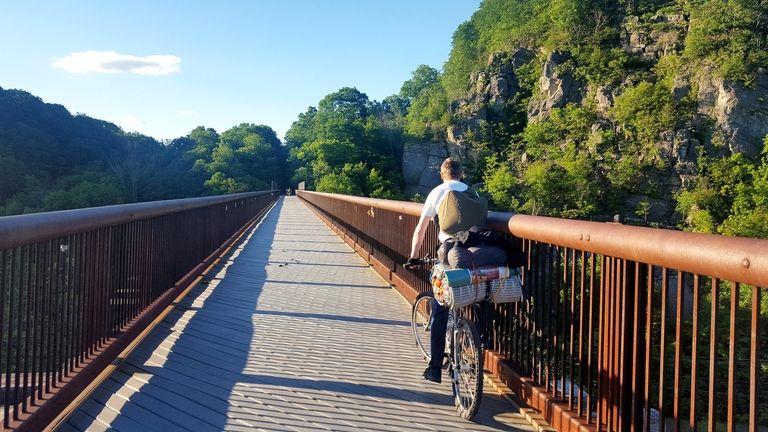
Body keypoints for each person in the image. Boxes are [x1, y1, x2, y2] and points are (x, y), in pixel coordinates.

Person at [406, 157, 506, 384]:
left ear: (442, 174)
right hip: (478, 249)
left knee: (440, 305)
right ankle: (482, 334)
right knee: (479, 287)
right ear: (462, 174)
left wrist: (413, 256)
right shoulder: (473, 193)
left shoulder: (438, 192)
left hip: (451, 250)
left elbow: (420, 229)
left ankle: (434, 368)